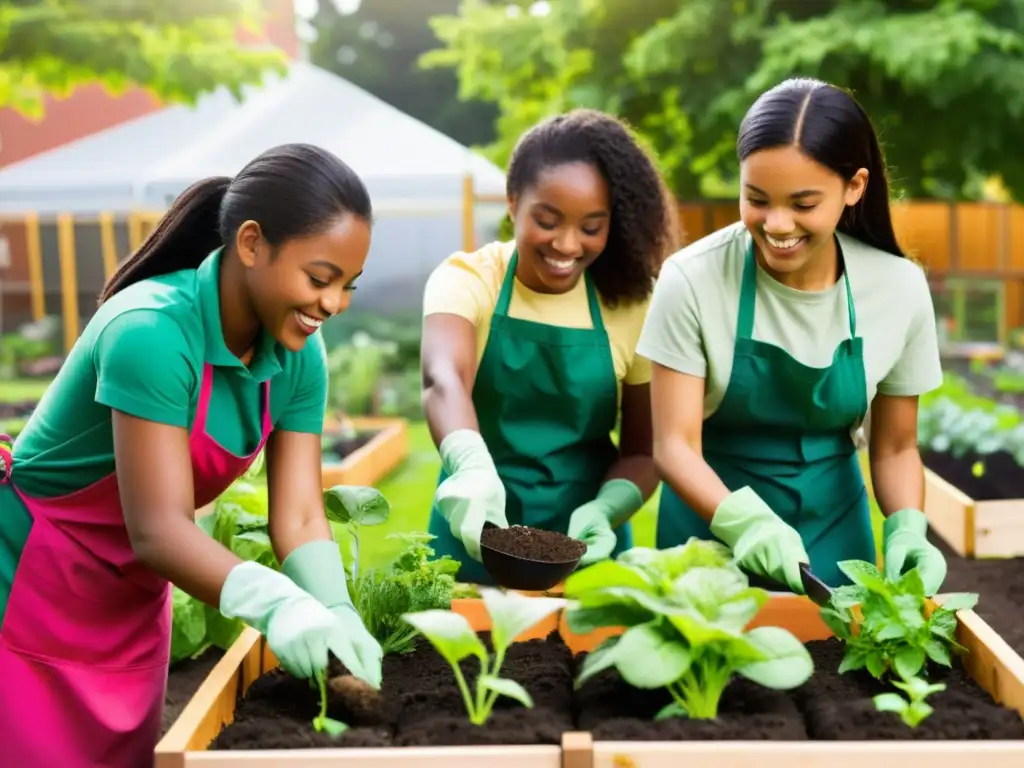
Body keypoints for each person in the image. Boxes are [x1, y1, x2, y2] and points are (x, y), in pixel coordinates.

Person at [0, 143, 384, 767]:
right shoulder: (151, 331)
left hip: (132, 593)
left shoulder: (298, 356)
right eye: (319, 278)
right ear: (253, 244)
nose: (333, 304)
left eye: (348, 286)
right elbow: (157, 528)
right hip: (34, 584)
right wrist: (277, 601)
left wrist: (334, 607)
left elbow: (302, 517)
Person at [636, 78, 948, 594]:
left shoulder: (898, 289)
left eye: (803, 204)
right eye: (756, 199)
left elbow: (894, 448)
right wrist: (746, 525)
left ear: (855, 187)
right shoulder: (691, 279)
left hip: (834, 536)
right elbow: (674, 446)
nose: (777, 224)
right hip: (707, 534)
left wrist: (908, 528)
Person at [420, 109, 681, 583]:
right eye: (548, 219)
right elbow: (443, 379)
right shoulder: (470, 278)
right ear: (513, 201)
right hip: (469, 538)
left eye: (591, 226)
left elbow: (645, 449)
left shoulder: (633, 305)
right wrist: (471, 468)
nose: (567, 244)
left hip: (589, 556)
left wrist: (607, 509)